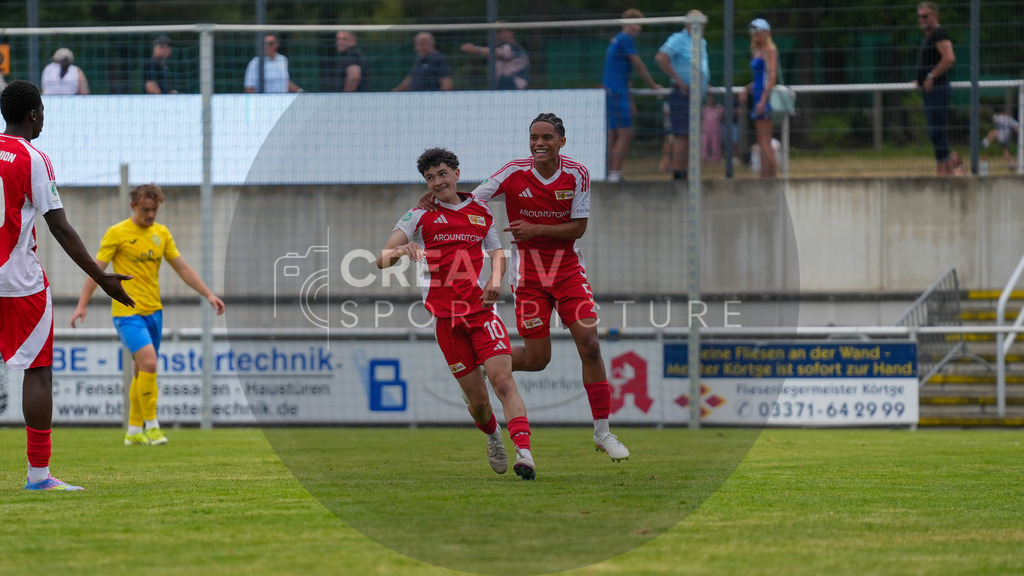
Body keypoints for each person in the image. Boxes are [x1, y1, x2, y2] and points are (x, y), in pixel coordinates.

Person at [418, 113, 629, 462]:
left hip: (568, 272)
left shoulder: (578, 174)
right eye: (533, 137)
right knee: (537, 359)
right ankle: (484, 365)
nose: (539, 143)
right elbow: (472, 199)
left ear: (562, 141)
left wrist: (535, 229)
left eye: (547, 137)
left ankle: (603, 432)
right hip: (529, 279)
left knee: (589, 344)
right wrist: (434, 199)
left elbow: (578, 228)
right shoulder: (513, 172)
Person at [0, 80, 135, 490]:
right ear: (34, 113)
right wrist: (101, 277)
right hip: (18, 282)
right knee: (38, 373)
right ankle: (39, 475)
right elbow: (58, 225)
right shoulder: (33, 157)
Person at [378, 148, 536, 480]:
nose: (437, 182)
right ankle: (493, 437)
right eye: (430, 177)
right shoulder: (418, 216)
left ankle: (525, 452)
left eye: (442, 174)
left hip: (482, 313)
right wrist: (400, 251)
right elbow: (381, 258)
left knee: (503, 381)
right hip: (447, 322)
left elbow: (496, 253)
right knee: (479, 403)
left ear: (456, 173)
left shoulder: (481, 211)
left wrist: (495, 280)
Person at [70, 184, 225, 446]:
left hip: (154, 311)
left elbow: (182, 268)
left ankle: (133, 431)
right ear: (133, 207)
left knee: (142, 370)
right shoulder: (117, 233)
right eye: (145, 210)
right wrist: (81, 304)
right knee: (150, 363)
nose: (150, 214)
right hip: (126, 312)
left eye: (154, 210)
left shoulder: (161, 234)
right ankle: (152, 427)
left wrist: (208, 294)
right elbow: (97, 272)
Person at [602, 9, 662, 183]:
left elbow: (623, 73)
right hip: (616, 92)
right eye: (635, 23)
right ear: (626, 24)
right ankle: (614, 172)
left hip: (616, 91)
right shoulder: (625, 39)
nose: (638, 28)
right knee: (624, 133)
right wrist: (653, 85)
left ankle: (609, 172)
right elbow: (638, 64)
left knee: (613, 133)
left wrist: (631, 100)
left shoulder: (617, 40)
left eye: (639, 24)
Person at [655, 9, 710, 181]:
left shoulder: (701, 41)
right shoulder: (678, 38)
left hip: (695, 95)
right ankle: (679, 175)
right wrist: (678, 80)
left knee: (692, 135)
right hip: (683, 93)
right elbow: (661, 58)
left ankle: (688, 172)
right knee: (682, 134)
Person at [913, 2, 956, 175]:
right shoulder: (929, 36)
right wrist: (920, 79)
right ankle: (943, 168)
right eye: (920, 16)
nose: (922, 19)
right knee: (935, 132)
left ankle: (947, 169)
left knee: (937, 131)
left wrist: (931, 76)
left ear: (935, 16)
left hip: (937, 90)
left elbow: (949, 58)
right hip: (930, 91)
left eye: (926, 15)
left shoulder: (939, 33)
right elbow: (930, 61)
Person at [740, 18, 779, 179]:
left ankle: (775, 172)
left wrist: (763, 99)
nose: (753, 34)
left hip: (764, 97)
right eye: (752, 31)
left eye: (757, 31)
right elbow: (758, 78)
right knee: (762, 137)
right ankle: (766, 174)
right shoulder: (756, 51)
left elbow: (771, 77)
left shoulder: (769, 50)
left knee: (764, 137)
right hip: (757, 95)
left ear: (765, 33)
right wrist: (746, 88)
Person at [460, 26, 529, 90]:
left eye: (499, 32)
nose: (496, 35)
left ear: (510, 33)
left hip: (514, 86)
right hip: (505, 86)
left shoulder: (514, 47)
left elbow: (498, 53)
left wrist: (476, 49)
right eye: (494, 33)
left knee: (503, 80)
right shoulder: (504, 48)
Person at [701, 92, 725, 163]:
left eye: (711, 99)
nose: (710, 101)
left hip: (715, 130)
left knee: (715, 144)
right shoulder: (704, 109)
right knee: (704, 144)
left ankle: (716, 158)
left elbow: (725, 113)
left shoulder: (719, 108)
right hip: (706, 130)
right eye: (708, 99)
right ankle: (704, 158)